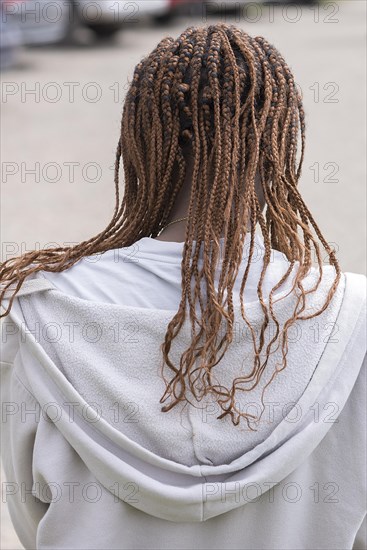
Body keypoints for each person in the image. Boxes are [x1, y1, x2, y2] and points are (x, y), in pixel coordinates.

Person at [0, 23, 366, 550]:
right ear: (279, 146)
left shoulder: (40, 315)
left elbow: (29, 517)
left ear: (138, 144)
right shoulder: (348, 316)